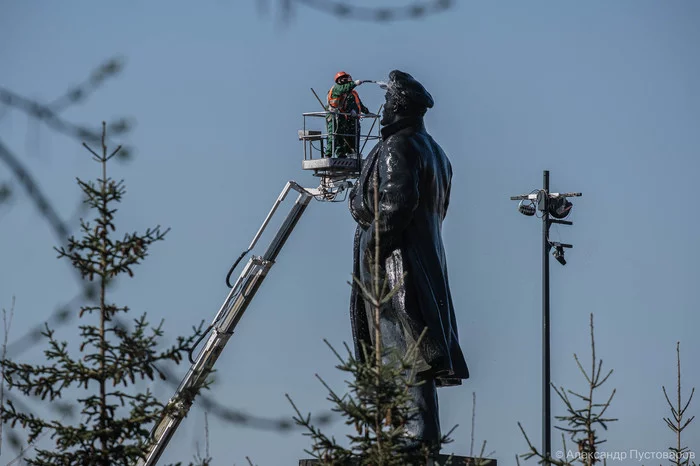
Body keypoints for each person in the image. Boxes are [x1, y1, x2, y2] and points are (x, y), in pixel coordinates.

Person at [348, 70, 469, 454]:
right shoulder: (436, 152)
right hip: (424, 258)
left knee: (402, 349)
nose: (380, 110)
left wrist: (373, 247)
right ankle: (411, 433)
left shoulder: (397, 147)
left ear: (398, 107)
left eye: (385, 103)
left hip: (394, 263)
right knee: (411, 348)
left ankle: (413, 435)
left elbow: (396, 206)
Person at [326, 71, 370, 158]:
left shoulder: (350, 93)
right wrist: (355, 83)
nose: (346, 80)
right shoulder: (337, 88)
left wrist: (366, 112)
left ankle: (342, 154)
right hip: (334, 115)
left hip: (341, 116)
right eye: (344, 78)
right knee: (334, 135)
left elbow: (358, 104)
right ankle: (328, 154)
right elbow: (344, 88)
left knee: (342, 136)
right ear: (339, 80)